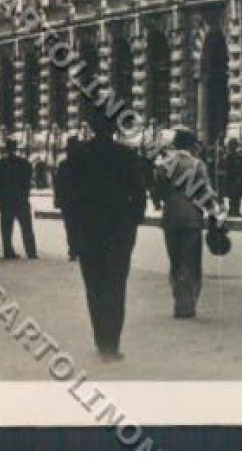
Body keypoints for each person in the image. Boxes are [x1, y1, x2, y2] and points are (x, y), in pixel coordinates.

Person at [60, 100, 148, 360]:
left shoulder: (78, 156)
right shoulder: (126, 155)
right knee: (116, 286)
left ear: (91, 126)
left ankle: (101, 339)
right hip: (119, 233)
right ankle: (112, 344)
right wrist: (132, 223)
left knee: (94, 286)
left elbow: (69, 199)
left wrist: (73, 235)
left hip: (88, 232)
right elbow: (139, 195)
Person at [152, 128, 217, 318]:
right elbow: (205, 193)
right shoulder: (197, 165)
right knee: (192, 262)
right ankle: (188, 303)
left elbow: (158, 193)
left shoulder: (164, 165)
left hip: (171, 218)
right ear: (191, 145)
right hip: (192, 219)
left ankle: (178, 300)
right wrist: (213, 213)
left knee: (176, 261)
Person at [0, 137, 37, 259]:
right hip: (21, 200)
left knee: (6, 228)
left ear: (6, 148)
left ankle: (8, 250)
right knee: (26, 227)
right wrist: (25, 194)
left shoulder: (0, 164)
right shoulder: (24, 163)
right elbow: (27, 182)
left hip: (7, 201)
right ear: (16, 147)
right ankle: (31, 251)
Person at [53, 137, 80, 260]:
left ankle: (73, 251)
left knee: (70, 227)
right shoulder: (83, 164)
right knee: (78, 227)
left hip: (69, 202)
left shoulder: (64, 165)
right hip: (77, 201)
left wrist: (57, 200)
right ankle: (76, 250)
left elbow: (58, 184)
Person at [220, 138, 242, 217]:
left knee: (237, 196)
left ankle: (236, 210)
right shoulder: (227, 156)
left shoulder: (238, 156)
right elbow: (225, 167)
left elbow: (241, 167)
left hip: (236, 177)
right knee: (233, 195)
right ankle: (232, 210)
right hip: (231, 178)